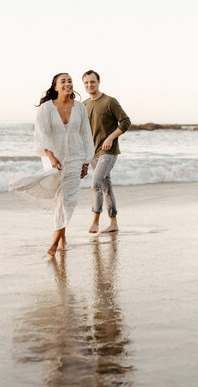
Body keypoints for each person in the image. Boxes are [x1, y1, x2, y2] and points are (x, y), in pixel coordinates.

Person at [9, 73, 94, 256]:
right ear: (55, 86)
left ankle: (54, 244)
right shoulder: (46, 108)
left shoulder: (80, 108)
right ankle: (63, 237)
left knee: (68, 199)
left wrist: (86, 162)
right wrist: (51, 156)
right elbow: (41, 134)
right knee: (58, 198)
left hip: (75, 157)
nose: (67, 83)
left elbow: (86, 134)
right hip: (53, 158)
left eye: (70, 80)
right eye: (63, 81)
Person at [82, 70, 130, 234]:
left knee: (95, 183)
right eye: (87, 83)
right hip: (93, 153)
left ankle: (95, 221)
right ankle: (113, 223)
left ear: (98, 82)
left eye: (92, 82)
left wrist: (110, 138)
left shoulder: (110, 101)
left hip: (109, 152)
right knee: (106, 187)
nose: (90, 85)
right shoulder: (84, 105)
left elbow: (125, 121)